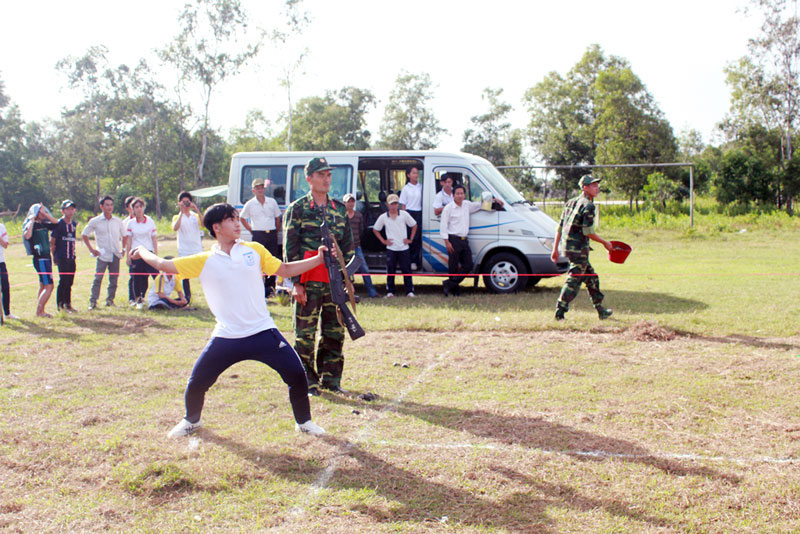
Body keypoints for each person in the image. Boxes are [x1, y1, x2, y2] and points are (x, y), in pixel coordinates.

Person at [130, 203, 327, 438]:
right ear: (216, 227)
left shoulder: (253, 250)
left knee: (296, 374)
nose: (237, 223)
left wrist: (318, 259)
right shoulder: (205, 260)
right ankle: (191, 420)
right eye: (231, 219)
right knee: (197, 382)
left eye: (237, 218)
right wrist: (141, 250)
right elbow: (163, 265)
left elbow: (284, 269)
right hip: (227, 336)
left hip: (263, 331)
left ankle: (304, 422)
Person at [284, 156, 355, 396]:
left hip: (334, 282)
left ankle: (331, 380)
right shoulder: (298, 208)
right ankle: (308, 383)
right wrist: (296, 284)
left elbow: (348, 246)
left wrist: (348, 281)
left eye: (328, 175)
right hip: (308, 281)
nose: (326, 179)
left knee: (334, 333)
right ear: (309, 179)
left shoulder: (338, 208)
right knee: (305, 335)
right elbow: (290, 249)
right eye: (321, 175)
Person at [550, 174, 613, 321]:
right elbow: (588, 232)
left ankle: (600, 310)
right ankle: (559, 313)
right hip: (579, 249)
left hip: (568, 247)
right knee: (573, 280)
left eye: (597, 185)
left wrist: (555, 249)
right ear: (585, 188)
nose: (597, 188)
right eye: (593, 186)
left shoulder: (571, 203)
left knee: (591, 278)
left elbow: (559, 227)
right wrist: (605, 243)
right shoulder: (588, 206)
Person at [439, 185, 503, 296]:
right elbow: (443, 226)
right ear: (453, 195)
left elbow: (481, 205)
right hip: (453, 240)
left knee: (468, 265)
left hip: (464, 240)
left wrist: (493, 200)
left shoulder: (467, 205)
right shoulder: (448, 208)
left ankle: (449, 284)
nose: (459, 196)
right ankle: (454, 290)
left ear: (464, 195)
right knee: (453, 267)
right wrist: (447, 242)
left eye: (461, 193)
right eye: (457, 193)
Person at [82, 195, 126, 310]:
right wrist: (92, 249)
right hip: (102, 255)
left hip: (115, 254)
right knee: (98, 279)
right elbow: (84, 234)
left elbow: (124, 235)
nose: (109, 207)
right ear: (101, 206)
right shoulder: (95, 221)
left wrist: (124, 248)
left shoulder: (118, 221)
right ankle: (93, 301)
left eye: (111, 205)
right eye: (107, 205)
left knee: (114, 280)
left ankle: (110, 300)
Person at [240, 178, 282, 298]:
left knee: (272, 259)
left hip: (271, 234)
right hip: (258, 234)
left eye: (262, 187)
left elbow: (278, 217)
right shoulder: (250, 204)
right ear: (253, 190)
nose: (260, 190)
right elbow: (242, 218)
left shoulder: (271, 202)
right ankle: (259, 287)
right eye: (257, 188)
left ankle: (270, 288)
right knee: (258, 260)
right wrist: (251, 230)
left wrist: (276, 231)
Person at [373, 193, 417, 298]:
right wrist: (383, 241)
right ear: (388, 205)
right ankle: (390, 292)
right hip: (391, 248)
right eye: (391, 204)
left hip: (404, 247)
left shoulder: (404, 215)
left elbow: (414, 225)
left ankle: (409, 291)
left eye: (395, 203)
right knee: (390, 270)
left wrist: (410, 239)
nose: (393, 206)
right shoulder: (383, 217)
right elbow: (375, 229)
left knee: (406, 270)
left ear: (398, 204)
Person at [23, 203, 59, 317]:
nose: (43, 214)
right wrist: (32, 219)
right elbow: (27, 235)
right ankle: (39, 312)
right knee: (49, 286)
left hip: (47, 257)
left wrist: (46, 214)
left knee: (43, 285)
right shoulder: (31, 225)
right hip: (40, 259)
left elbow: (56, 222)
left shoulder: (44, 224)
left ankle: (41, 310)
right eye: (41, 211)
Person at [125, 197, 158, 309]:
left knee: (154, 276)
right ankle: (138, 299)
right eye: (136, 207)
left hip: (148, 252)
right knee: (136, 278)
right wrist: (128, 256)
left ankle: (155, 297)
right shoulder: (130, 223)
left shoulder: (150, 221)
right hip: (136, 253)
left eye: (140, 206)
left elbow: (154, 238)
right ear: (133, 209)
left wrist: (156, 253)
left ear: (144, 207)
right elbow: (129, 240)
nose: (139, 209)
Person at [171, 191, 204, 304]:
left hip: (196, 248)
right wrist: (181, 212)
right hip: (184, 249)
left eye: (187, 202)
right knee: (185, 274)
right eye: (183, 202)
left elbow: (204, 224)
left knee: (203, 272)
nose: (185, 204)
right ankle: (187, 296)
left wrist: (196, 210)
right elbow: (175, 228)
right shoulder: (176, 217)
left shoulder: (195, 216)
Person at [343, 193, 378, 298]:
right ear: (344, 203)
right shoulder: (342, 216)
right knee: (344, 271)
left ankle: (372, 292)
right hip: (344, 248)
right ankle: (345, 292)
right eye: (348, 201)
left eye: (352, 201)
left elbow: (361, 230)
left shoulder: (359, 215)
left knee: (364, 269)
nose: (351, 203)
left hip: (357, 247)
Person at [50, 200, 78, 312]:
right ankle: (60, 305)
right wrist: (54, 256)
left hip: (71, 257)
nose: (70, 211)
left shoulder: (74, 224)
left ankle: (68, 303)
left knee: (70, 281)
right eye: (68, 209)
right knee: (63, 280)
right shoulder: (59, 224)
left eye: (72, 209)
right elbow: (52, 242)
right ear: (63, 211)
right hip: (62, 257)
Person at [398, 165, 423, 270]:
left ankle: (415, 261)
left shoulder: (421, 186)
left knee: (417, 239)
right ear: (408, 175)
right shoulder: (406, 188)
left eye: (417, 173)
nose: (416, 175)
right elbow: (403, 205)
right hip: (409, 214)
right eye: (413, 173)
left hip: (419, 213)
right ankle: (408, 261)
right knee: (409, 238)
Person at [0, 220, 15, 320]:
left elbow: (5, 245)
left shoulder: (1, 226)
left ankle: (7, 313)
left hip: (1, 262)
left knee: (5, 287)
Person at [123, 196, 136, 305]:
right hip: (132, 253)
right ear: (128, 208)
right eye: (133, 206)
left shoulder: (145, 220)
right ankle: (132, 298)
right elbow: (125, 240)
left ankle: (141, 296)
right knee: (133, 276)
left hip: (144, 252)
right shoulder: (125, 223)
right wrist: (127, 255)